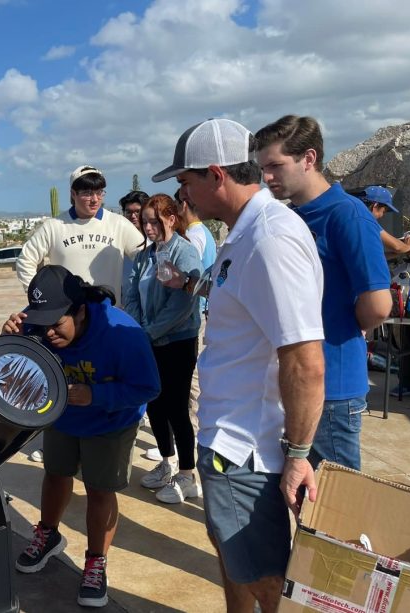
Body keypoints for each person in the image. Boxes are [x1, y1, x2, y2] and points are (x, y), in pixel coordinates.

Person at [153, 117, 325, 612]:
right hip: (229, 440)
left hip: (246, 449)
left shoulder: (269, 239)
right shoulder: (244, 234)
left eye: (185, 182)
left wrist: (297, 454)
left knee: (264, 579)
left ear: (216, 174)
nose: (182, 196)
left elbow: (304, 359)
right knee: (236, 564)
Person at [3, 266, 160, 608]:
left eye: (55, 325)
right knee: (56, 474)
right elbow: (14, 363)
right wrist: (10, 337)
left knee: (98, 490)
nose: (47, 334)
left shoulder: (124, 334)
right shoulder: (40, 324)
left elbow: (149, 387)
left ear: (80, 309)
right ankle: (47, 534)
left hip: (110, 421)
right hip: (62, 415)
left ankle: (95, 561)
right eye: (41, 324)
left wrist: (96, 397)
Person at [255, 115, 391, 471]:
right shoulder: (293, 216)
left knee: (333, 512)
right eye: (262, 168)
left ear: (309, 159)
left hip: (333, 389)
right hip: (297, 384)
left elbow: (378, 305)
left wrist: (342, 327)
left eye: (275, 166)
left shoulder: (347, 216)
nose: (267, 177)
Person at [125, 195, 203, 504]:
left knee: (177, 408)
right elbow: (131, 293)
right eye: (145, 221)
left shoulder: (185, 253)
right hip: (148, 340)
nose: (148, 227)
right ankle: (166, 463)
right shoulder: (145, 255)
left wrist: (149, 333)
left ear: (171, 218)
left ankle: (187, 474)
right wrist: (137, 329)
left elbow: (183, 306)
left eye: (154, 221)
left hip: (176, 342)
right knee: (155, 404)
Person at [16, 166, 143, 302]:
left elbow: (145, 257)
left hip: (107, 314)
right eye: (87, 193)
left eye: (99, 192)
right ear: (73, 194)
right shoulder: (53, 227)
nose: (95, 199)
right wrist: (39, 297)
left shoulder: (119, 224)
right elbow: (25, 260)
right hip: (68, 316)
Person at [175, 188, 217, 421]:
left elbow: (189, 276)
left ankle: (194, 426)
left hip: (194, 312)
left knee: (192, 377)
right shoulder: (205, 233)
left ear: (183, 205)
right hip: (201, 309)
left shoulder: (194, 237)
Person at [355, 185, 410, 259]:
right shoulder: (366, 220)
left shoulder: (351, 215)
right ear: (375, 206)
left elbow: (369, 257)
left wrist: (396, 254)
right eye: (383, 211)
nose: (382, 215)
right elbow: (397, 247)